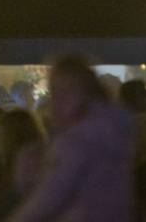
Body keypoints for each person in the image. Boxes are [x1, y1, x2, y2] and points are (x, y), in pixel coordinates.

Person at [8, 55, 135, 222]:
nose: (57, 101)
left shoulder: (78, 141)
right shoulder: (113, 132)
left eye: (66, 92)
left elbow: (49, 197)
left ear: (87, 94)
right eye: (56, 92)